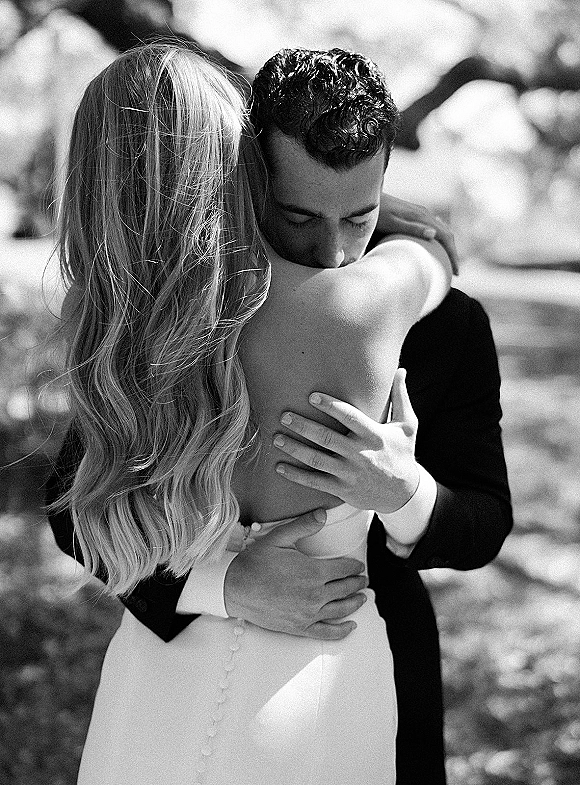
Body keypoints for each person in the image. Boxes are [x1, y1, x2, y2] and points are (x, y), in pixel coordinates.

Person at [45, 47, 512, 784]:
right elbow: (74, 505)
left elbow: (485, 521)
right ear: (248, 180)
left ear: (387, 179)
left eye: (361, 217)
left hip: (369, 671)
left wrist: (403, 493)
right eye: (297, 216)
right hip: (172, 673)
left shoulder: (453, 326)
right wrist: (219, 582)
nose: (332, 252)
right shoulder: (182, 311)